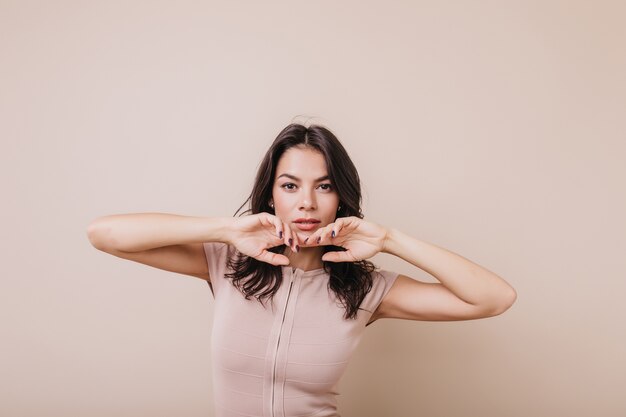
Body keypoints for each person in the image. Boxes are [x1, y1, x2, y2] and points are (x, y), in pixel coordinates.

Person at [87, 122, 517, 417]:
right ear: (271, 196)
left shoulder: (367, 290)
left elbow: (495, 298)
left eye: (324, 186)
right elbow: (105, 234)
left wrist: (389, 240)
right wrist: (225, 229)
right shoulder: (226, 263)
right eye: (290, 185)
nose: (307, 202)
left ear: (341, 198)